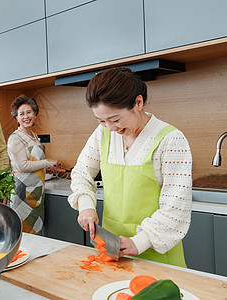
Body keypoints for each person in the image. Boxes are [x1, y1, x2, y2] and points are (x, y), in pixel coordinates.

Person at [68, 67, 192, 267]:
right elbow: (82, 172)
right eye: (101, 121)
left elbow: (176, 207)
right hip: (112, 253)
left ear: (138, 102)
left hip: (157, 256)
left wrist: (138, 242)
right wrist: (86, 207)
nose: (110, 128)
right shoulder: (103, 133)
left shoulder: (170, 140)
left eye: (115, 119)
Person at [7, 94, 60, 234]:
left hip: (36, 191)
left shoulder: (34, 136)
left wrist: (48, 169)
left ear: (35, 114)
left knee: (34, 232)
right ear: (16, 118)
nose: (26, 116)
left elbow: (34, 163)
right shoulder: (15, 138)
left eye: (29, 112)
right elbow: (22, 166)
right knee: (23, 234)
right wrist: (47, 162)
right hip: (22, 193)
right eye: (21, 114)